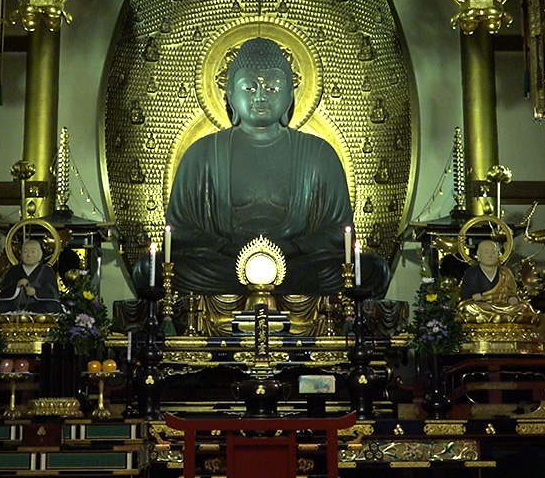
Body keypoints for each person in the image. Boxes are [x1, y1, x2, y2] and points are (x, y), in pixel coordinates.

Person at [134, 37, 390, 298]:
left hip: (296, 266)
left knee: (370, 269)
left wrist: (291, 248)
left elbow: (340, 231)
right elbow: (178, 231)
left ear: (290, 96)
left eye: (272, 88)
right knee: (149, 270)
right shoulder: (201, 154)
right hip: (224, 265)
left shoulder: (318, 153)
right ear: (230, 95)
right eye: (249, 87)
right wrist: (228, 247)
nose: (260, 96)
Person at [458, 239, 539, 324]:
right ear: (478, 255)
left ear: (498, 255)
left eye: (493, 252)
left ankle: (499, 317)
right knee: (468, 307)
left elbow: (513, 293)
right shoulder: (472, 273)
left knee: (524, 307)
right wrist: (474, 296)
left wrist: (512, 299)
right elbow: (466, 295)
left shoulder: (505, 272)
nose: (490, 256)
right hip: (482, 307)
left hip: (503, 307)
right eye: (486, 252)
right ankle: (498, 317)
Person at [0, 239, 63, 314]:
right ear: (21, 254)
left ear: (40, 254)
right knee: (0, 306)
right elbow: (4, 291)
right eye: (25, 252)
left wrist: (36, 292)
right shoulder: (14, 270)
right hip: (16, 305)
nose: (29, 255)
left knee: (54, 306)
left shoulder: (47, 271)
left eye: (33, 252)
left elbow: (53, 291)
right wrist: (17, 285)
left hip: (39, 305)